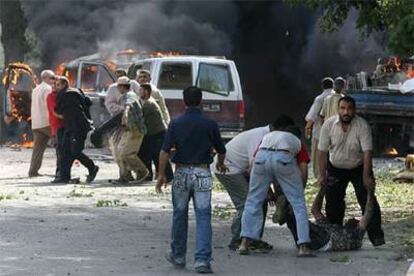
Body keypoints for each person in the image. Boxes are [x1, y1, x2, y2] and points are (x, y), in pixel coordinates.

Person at [156, 86, 227, 274]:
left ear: (184, 101)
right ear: (201, 101)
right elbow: (222, 149)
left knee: (179, 214)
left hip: (181, 173)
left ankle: (178, 255)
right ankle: (202, 261)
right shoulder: (210, 124)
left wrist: (161, 174)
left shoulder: (176, 123)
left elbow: (164, 151)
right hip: (202, 173)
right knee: (203, 216)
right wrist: (220, 163)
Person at [239, 116, 313, 257]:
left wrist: (266, 189)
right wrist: (299, 191)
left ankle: (244, 244)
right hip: (283, 158)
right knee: (298, 204)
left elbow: (251, 167)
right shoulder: (297, 142)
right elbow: (303, 171)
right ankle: (303, 246)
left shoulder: (268, 137)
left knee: (253, 201)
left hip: (261, 159)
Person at [317, 96, 385, 246]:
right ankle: (336, 233)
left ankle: (377, 237)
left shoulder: (362, 125)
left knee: (367, 199)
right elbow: (322, 152)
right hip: (335, 168)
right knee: (333, 202)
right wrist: (322, 174)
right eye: (343, 108)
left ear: (354, 110)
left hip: (358, 168)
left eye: (349, 109)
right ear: (338, 110)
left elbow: (367, 152)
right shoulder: (328, 125)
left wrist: (367, 175)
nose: (346, 112)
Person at [213, 124, 273, 251]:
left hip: (241, 168)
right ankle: (237, 239)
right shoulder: (260, 136)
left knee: (260, 201)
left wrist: (267, 191)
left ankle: (253, 238)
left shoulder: (267, 136)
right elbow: (254, 168)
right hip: (228, 168)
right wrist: (268, 190)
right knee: (246, 204)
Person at [276, 185, 376, 252]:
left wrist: (371, 192)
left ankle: (286, 205)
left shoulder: (356, 236)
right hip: (310, 243)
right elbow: (315, 210)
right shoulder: (332, 226)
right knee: (293, 223)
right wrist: (322, 189)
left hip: (324, 241)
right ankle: (285, 212)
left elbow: (368, 214)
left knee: (301, 222)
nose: (353, 218)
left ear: (357, 225)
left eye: (355, 220)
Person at [54, 77, 99, 183]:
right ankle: (64, 177)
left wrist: (57, 113)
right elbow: (87, 104)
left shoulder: (64, 95)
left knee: (75, 152)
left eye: (58, 85)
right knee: (65, 151)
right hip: (74, 126)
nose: (56, 87)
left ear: (65, 84)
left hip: (77, 127)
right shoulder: (77, 91)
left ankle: (92, 167)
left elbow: (59, 111)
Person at [133, 69, 171, 180]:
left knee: (157, 154)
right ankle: (149, 174)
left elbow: (162, 110)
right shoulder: (138, 91)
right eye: (140, 77)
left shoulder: (152, 92)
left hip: (156, 129)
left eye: (145, 77)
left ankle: (165, 176)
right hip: (148, 129)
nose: (142, 79)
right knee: (146, 152)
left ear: (150, 79)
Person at [110, 77, 148, 184]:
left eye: (118, 86)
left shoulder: (129, 95)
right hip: (129, 130)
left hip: (136, 131)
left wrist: (125, 115)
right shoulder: (125, 96)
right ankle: (125, 176)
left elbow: (128, 104)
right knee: (118, 152)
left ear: (122, 87)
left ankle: (142, 172)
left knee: (126, 153)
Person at [139, 83, 174, 182]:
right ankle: (148, 175)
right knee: (148, 154)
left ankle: (168, 176)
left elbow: (140, 118)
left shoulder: (149, 104)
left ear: (146, 91)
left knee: (158, 156)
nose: (139, 92)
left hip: (158, 134)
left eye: (141, 90)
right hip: (152, 134)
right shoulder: (147, 102)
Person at [305, 77, 334, 178]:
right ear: (333, 86)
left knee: (318, 157)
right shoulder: (339, 97)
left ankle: (320, 178)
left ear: (322, 86)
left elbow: (312, 116)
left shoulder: (320, 98)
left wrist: (307, 129)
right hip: (336, 132)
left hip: (320, 132)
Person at [28, 70, 55, 177]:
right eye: (53, 78)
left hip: (36, 123)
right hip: (46, 122)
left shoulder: (36, 89)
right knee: (61, 144)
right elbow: (49, 106)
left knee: (38, 149)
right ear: (47, 78)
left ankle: (33, 172)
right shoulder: (48, 89)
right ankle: (62, 171)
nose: (54, 80)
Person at [46, 79, 62, 180]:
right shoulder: (51, 96)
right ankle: (58, 173)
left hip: (61, 126)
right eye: (55, 85)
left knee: (62, 151)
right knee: (59, 151)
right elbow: (54, 112)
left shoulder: (61, 95)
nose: (55, 87)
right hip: (56, 127)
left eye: (57, 85)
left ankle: (61, 172)